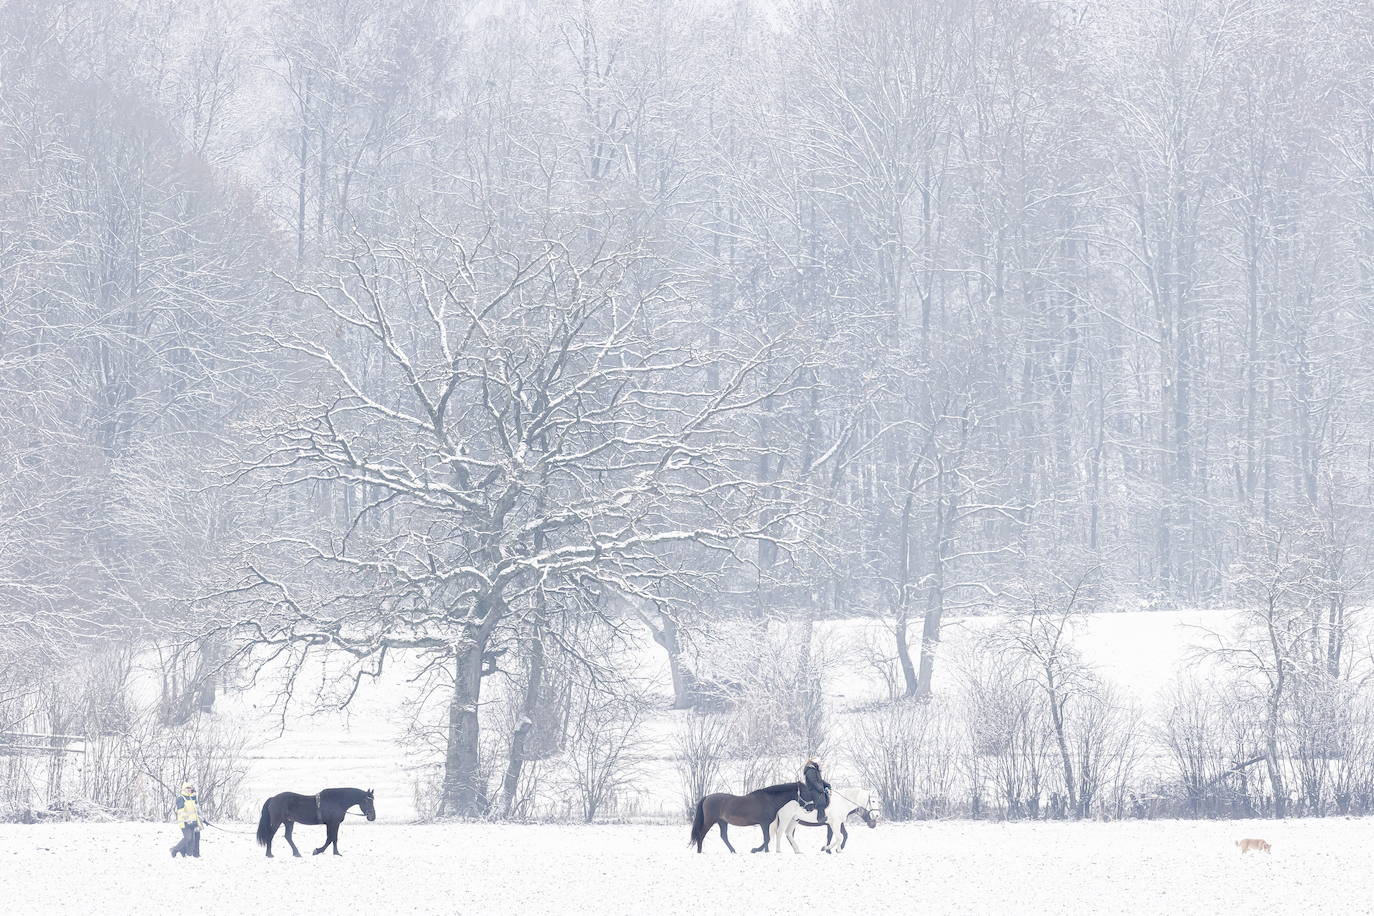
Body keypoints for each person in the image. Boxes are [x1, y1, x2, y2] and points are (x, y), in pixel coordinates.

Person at [170, 783, 204, 858]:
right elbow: (180, 813)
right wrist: (182, 823)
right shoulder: (181, 798)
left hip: (193, 823)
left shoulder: (191, 798)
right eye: (187, 788)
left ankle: (184, 851)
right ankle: (174, 850)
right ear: (184, 789)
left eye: (190, 788)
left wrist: (200, 820)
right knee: (188, 838)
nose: (189, 789)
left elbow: (195, 811)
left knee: (191, 841)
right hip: (185, 823)